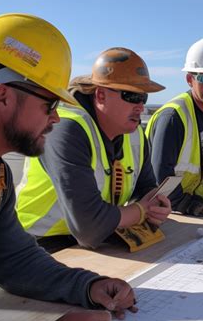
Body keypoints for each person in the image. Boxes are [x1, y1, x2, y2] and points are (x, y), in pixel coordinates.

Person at [0, 13, 137, 321]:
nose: (55, 118)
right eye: (49, 104)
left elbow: (13, 258)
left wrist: (86, 286)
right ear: (2, 96)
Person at [16, 47, 171, 252]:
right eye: (131, 96)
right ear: (101, 95)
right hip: (38, 246)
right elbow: (89, 228)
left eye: (144, 98)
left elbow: (145, 189)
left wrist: (156, 206)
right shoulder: (65, 129)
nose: (140, 107)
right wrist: (141, 211)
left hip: (99, 239)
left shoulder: (134, 134)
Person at [146, 38, 203, 217]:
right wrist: (184, 203)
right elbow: (159, 173)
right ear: (189, 79)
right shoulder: (173, 116)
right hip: (161, 207)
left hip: (189, 205)